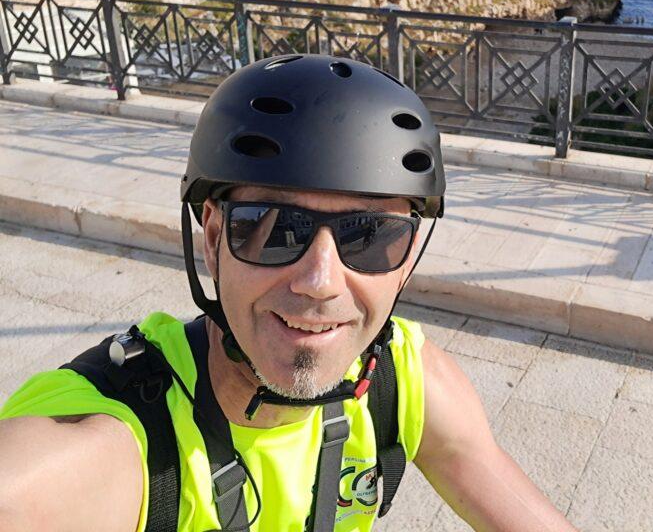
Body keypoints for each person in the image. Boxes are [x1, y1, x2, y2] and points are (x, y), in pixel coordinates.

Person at [0, 55, 577, 532]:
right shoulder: (125, 437)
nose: (320, 281)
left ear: (407, 261)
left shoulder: (401, 383)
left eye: (372, 237)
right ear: (213, 236)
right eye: (273, 228)